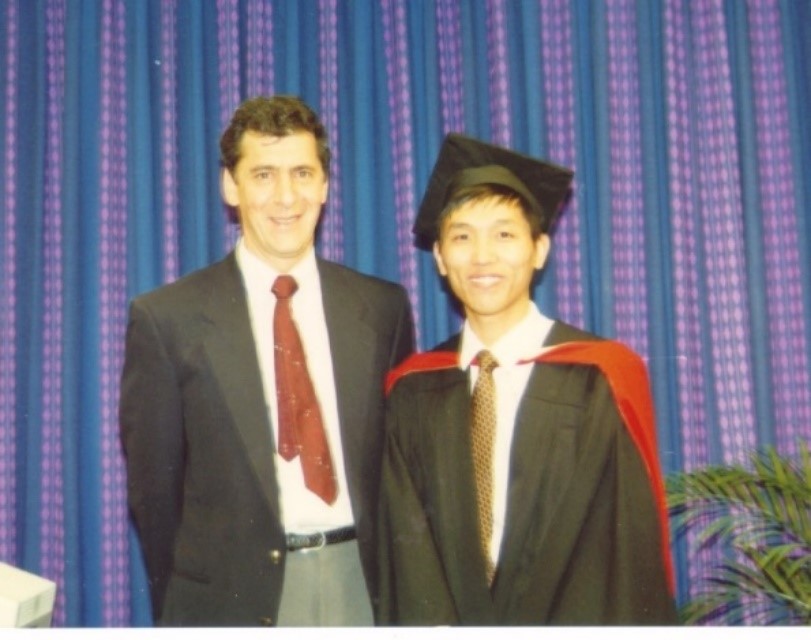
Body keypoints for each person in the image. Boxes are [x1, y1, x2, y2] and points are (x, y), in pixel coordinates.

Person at [120, 95, 414, 626]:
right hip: (232, 598)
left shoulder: (382, 308)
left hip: (361, 587)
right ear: (230, 187)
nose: (286, 197)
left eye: (303, 172)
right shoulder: (168, 318)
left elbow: (401, 471)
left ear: (325, 184)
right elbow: (154, 496)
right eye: (263, 175)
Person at [378, 133, 678, 625]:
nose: (481, 257)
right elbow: (406, 563)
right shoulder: (413, 387)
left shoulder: (599, 376)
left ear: (539, 250)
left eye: (504, 235)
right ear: (439, 258)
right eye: (462, 237)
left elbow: (623, 556)